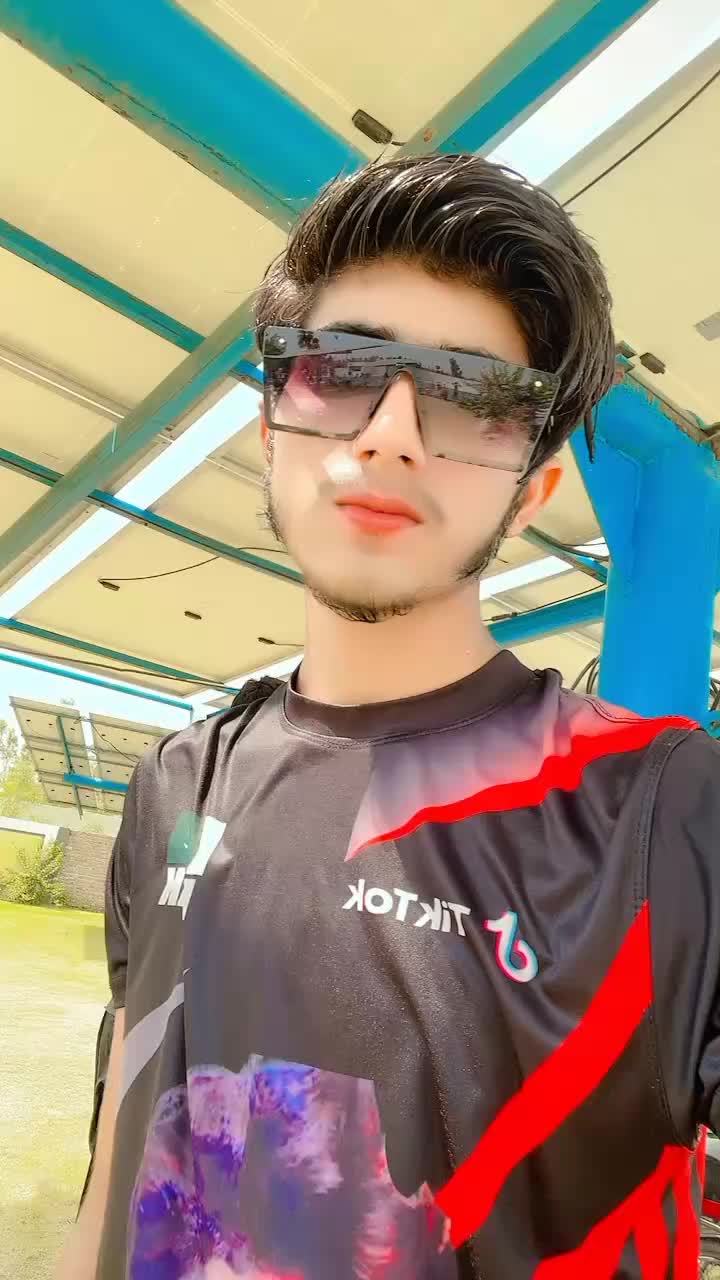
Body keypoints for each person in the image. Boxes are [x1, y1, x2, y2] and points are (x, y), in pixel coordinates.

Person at [57, 153, 720, 1280]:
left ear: (533, 489)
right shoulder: (173, 781)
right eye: (342, 368)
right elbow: (116, 1167)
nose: (392, 434)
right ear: (273, 427)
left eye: (475, 395)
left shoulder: (666, 812)